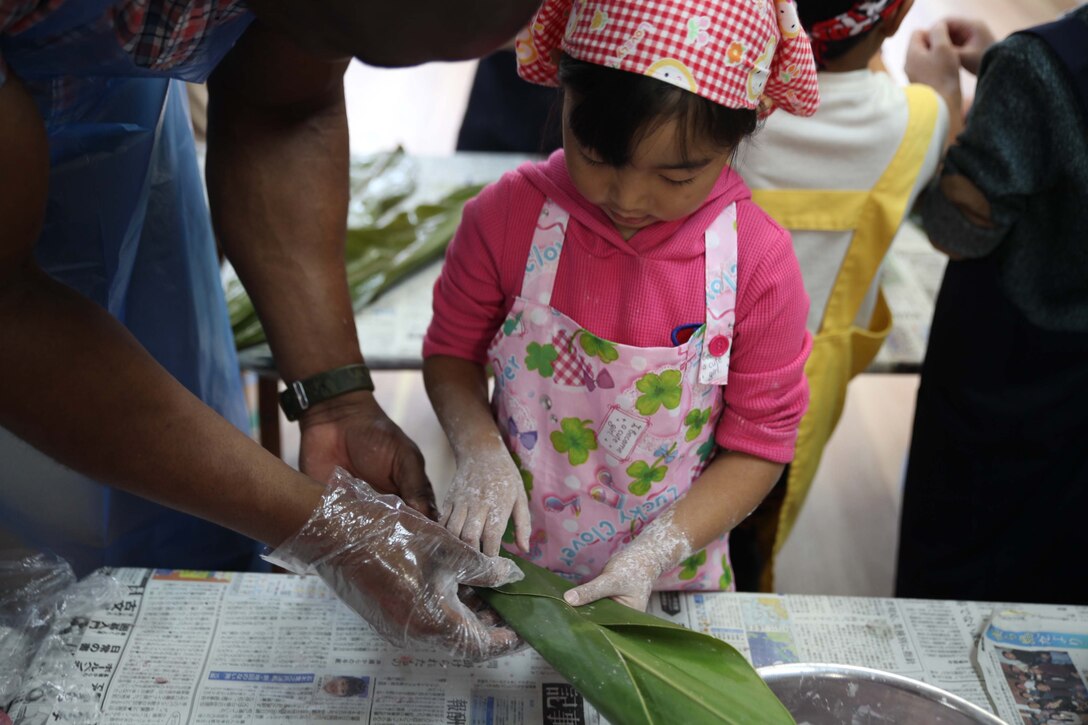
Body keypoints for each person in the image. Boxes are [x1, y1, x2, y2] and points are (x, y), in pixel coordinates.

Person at [0, 0, 544, 660]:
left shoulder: (296, 20)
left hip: (122, 142)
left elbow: (285, 108)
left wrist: (336, 399)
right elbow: (11, 317)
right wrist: (325, 529)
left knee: (179, 516)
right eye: (345, 35)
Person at [422, 0, 817, 611]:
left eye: (676, 177)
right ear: (566, 94)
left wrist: (655, 551)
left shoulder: (756, 263)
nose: (629, 198)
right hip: (514, 564)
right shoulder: (507, 218)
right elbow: (451, 354)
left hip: (669, 578)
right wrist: (478, 450)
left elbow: (760, 442)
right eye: (598, 156)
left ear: (739, 133)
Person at [729, 0, 949, 591]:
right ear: (893, 19)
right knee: (753, 529)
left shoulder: (725, 89)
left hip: (681, 350)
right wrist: (943, 86)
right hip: (800, 382)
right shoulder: (920, 120)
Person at [894, 6, 1088, 605]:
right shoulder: (1039, 62)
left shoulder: (1040, 65)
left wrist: (943, 102)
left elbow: (958, 226)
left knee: (960, 566)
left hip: (1011, 375)